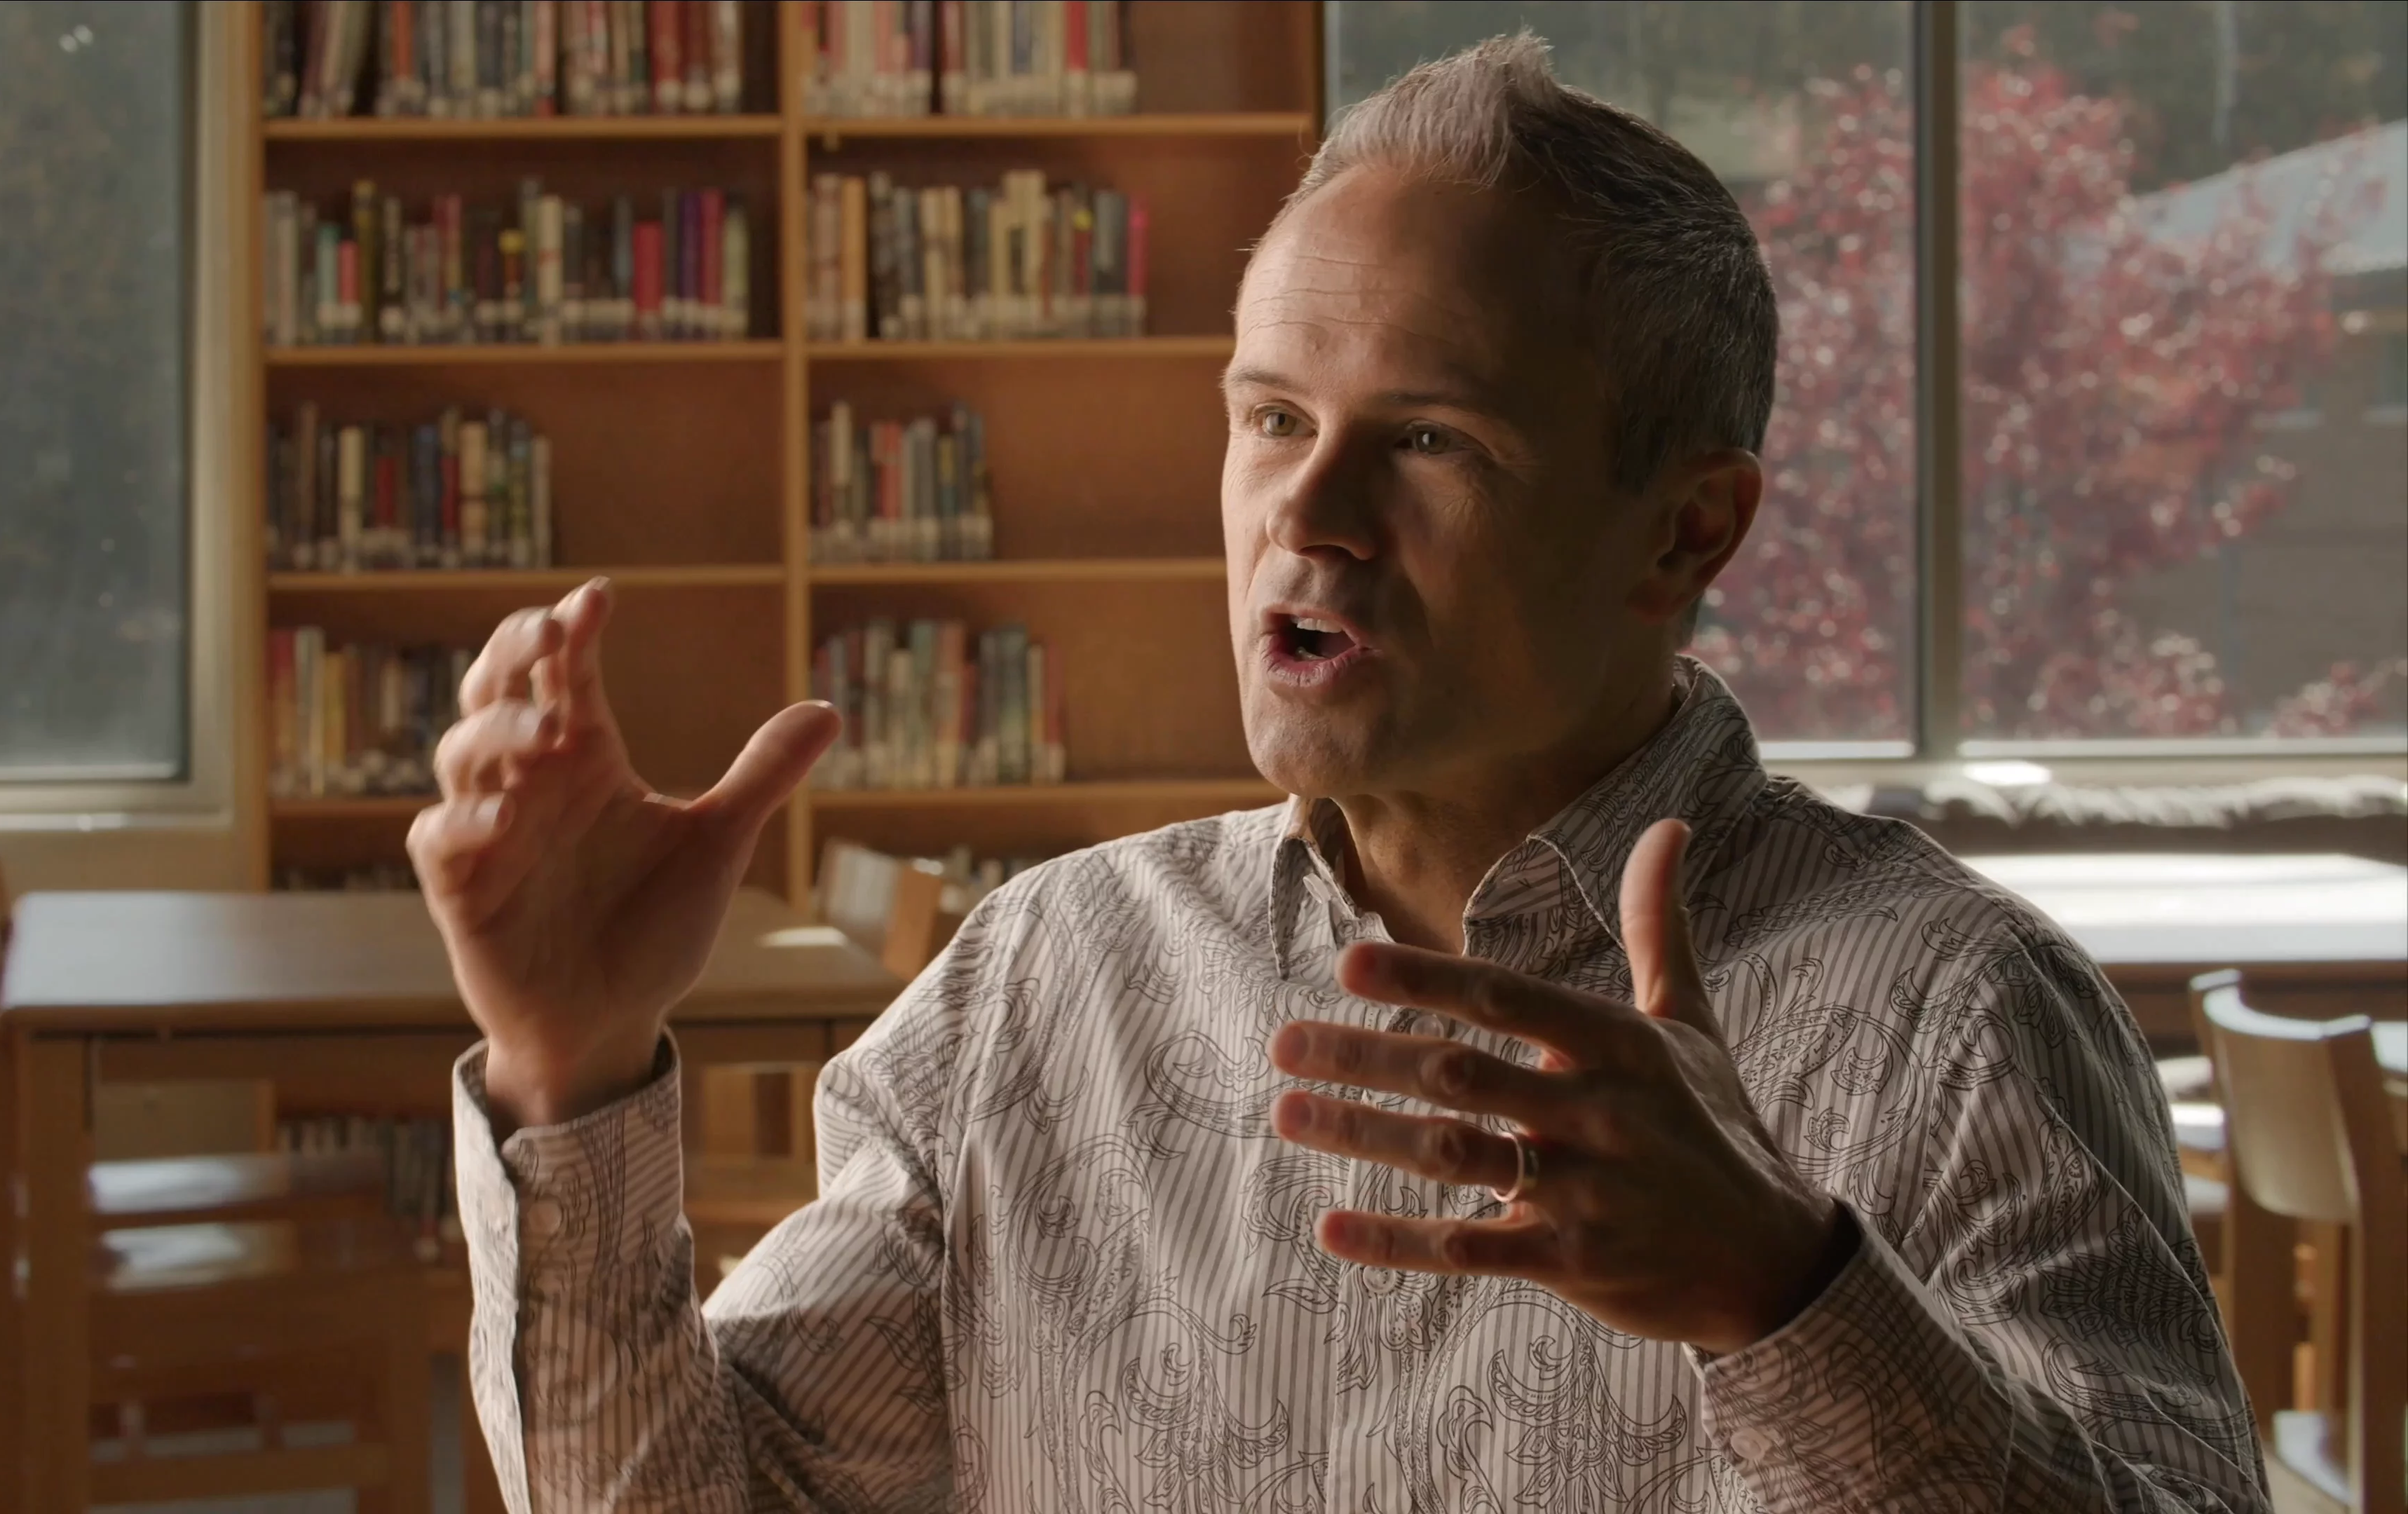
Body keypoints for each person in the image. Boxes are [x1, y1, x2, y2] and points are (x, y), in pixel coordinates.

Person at [409, 33, 2264, 1513]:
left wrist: (1789, 1301)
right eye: (1274, 420)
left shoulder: (1948, 1018)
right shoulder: (1043, 981)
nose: (1311, 515)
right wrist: (571, 1076)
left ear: (1685, 530)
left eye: (1432, 441)